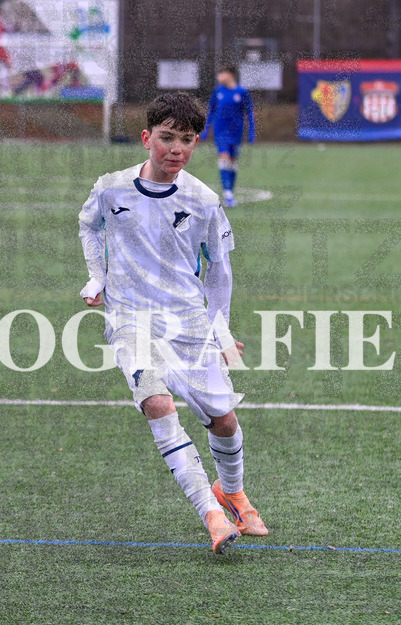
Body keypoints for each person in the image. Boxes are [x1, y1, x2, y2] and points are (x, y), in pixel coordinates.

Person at [77, 92, 267, 555]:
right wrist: (97, 276)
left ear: (195, 143)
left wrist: (221, 334)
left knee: (224, 420)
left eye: (186, 140)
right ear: (146, 138)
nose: (175, 148)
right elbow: (88, 224)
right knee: (158, 405)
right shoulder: (111, 188)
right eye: (166, 137)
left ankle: (232, 491)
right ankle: (211, 513)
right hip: (130, 321)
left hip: (188, 322)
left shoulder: (203, 200)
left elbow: (220, 272)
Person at [200, 65, 255, 207]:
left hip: (236, 133)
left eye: (221, 73)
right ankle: (227, 194)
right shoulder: (218, 92)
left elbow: (249, 113)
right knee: (224, 158)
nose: (218, 77)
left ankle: (230, 189)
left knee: (233, 163)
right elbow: (211, 111)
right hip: (220, 133)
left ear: (230, 75)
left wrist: (251, 132)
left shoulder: (242, 92)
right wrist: (206, 129)